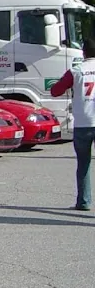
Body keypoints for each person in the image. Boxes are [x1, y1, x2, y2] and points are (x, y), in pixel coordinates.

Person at [50, 38, 95, 211]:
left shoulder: (76, 71)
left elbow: (55, 91)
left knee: (83, 164)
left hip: (83, 123)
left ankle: (84, 201)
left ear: (84, 52)